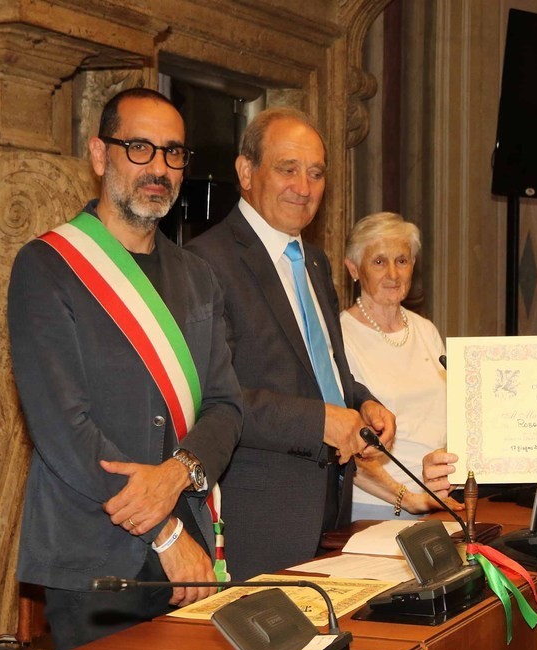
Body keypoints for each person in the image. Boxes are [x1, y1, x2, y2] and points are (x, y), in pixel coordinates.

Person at [8, 87, 243, 650]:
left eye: (173, 153)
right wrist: (164, 532)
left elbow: (226, 407)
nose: (158, 167)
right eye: (139, 148)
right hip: (94, 561)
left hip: (189, 555)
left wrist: (177, 473)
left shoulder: (197, 276)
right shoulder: (48, 267)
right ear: (98, 155)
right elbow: (64, 430)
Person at [187, 107, 395, 579]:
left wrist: (364, 403)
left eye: (316, 172)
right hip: (260, 517)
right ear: (245, 171)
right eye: (287, 168)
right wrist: (322, 421)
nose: (304, 187)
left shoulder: (315, 263)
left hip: (331, 502)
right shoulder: (204, 263)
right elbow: (216, 398)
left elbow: (325, 371)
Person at [339, 212, 462, 520]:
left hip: (438, 503)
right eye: (379, 262)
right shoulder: (339, 336)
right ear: (354, 268)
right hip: (377, 508)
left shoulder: (425, 330)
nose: (393, 273)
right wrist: (408, 498)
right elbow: (344, 447)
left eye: (402, 261)